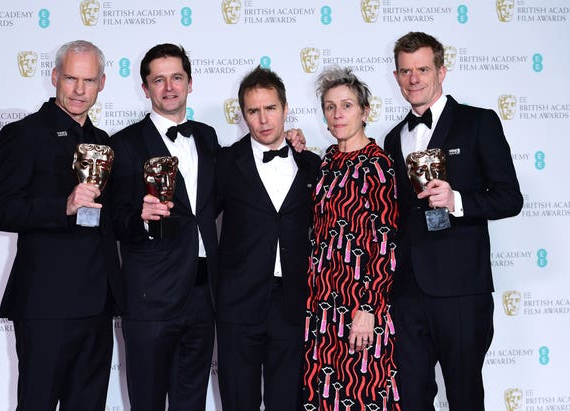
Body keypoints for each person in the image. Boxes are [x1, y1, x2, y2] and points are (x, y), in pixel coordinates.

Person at [383, 31, 523, 411]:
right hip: (408, 292)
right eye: (406, 71)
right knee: (410, 397)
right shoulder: (393, 138)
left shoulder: (479, 123)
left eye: (423, 69)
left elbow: (510, 198)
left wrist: (457, 199)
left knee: (463, 396)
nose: (414, 78)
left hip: (462, 290)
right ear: (396, 77)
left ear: (442, 71)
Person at [0, 40, 123, 411]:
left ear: (103, 83)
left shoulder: (103, 143)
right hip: (46, 304)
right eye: (71, 79)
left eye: (89, 80)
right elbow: (0, 211)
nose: (79, 90)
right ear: (54, 78)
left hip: (97, 304)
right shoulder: (23, 134)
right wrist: (63, 205)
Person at [108, 43, 220, 411]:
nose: (169, 87)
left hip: (204, 293)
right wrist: (139, 217)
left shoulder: (207, 136)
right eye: (159, 80)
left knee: (192, 401)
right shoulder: (122, 145)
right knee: (148, 401)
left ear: (190, 83)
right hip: (150, 297)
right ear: (145, 88)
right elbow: (111, 220)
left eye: (176, 78)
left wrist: (291, 140)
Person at [216, 66, 320, 410]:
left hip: (293, 304)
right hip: (238, 305)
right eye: (253, 111)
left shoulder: (311, 165)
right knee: (238, 401)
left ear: (286, 108)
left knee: (287, 402)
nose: (263, 119)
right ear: (243, 115)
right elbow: (197, 222)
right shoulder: (224, 162)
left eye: (271, 108)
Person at [302, 67, 400, 410]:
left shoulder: (378, 164)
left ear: (365, 111)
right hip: (321, 306)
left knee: (364, 394)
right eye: (330, 107)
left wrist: (369, 308)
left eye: (346, 105)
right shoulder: (327, 161)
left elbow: (386, 244)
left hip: (359, 304)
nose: (337, 114)